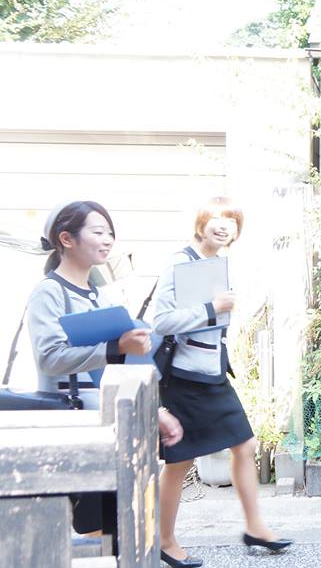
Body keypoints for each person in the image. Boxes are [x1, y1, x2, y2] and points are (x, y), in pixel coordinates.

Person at [153, 197, 291, 568]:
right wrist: (211, 309)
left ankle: (256, 527)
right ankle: (164, 541)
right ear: (200, 223)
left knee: (244, 445)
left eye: (231, 220)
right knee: (180, 462)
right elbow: (161, 322)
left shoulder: (218, 264)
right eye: (215, 217)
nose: (223, 225)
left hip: (213, 376)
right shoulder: (180, 262)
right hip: (184, 379)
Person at [26, 200, 176, 537]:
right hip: (72, 423)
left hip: (109, 424)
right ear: (66, 239)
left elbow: (126, 367)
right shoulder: (49, 293)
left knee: (113, 523)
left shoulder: (101, 296)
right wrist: (115, 347)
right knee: (91, 525)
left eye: (110, 233)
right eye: (98, 232)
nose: (107, 240)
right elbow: (49, 357)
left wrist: (157, 411)